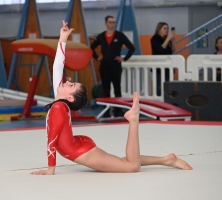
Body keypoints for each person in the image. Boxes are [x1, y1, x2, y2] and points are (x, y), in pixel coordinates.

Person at [30, 20, 192, 175]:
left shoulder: (59, 106)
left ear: (70, 98)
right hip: (77, 145)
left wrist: (50, 169)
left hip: (79, 151)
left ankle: (133, 121)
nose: (69, 81)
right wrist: (63, 38)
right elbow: (58, 65)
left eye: (71, 85)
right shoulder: (60, 98)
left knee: (131, 166)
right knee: (124, 162)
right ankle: (166, 160)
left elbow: (51, 139)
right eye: (71, 83)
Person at [90, 15, 135, 117]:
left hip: (115, 65)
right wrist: (97, 57)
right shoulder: (101, 36)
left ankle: (117, 110)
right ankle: (106, 111)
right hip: (104, 65)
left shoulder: (119, 35)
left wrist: (124, 58)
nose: (112, 24)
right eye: (110, 22)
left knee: (117, 89)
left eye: (114, 22)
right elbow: (91, 48)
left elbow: (131, 47)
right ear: (106, 23)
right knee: (106, 90)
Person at [151, 22, 175, 96]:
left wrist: (173, 41)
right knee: (159, 86)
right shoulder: (154, 39)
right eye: (164, 28)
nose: (166, 30)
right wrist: (168, 39)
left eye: (167, 28)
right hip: (158, 66)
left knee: (168, 85)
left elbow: (172, 50)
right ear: (159, 29)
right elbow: (160, 49)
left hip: (168, 66)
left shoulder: (167, 39)